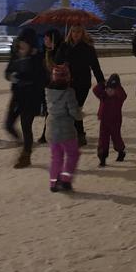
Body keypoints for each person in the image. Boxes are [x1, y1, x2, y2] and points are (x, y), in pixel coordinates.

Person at [4, 29, 46, 167]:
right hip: (17, 95)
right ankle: (24, 144)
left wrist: (23, 77)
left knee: (26, 126)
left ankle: (25, 155)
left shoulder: (38, 58)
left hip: (31, 97)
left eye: (25, 42)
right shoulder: (16, 55)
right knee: (8, 124)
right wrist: (11, 76)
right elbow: (8, 71)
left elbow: (41, 79)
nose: (22, 45)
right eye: (21, 42)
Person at [45, 36, 82, 192]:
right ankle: (66, 179)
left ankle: (53, 182)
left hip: (52, 129)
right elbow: (74, 112)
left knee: (56, 157)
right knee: (73, 154)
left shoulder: (48, 92)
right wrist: (80, 116)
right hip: (66, 131)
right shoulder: (69, 93)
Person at [59, 25, 105, 146]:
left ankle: (80, 135)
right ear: (70, 32)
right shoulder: (64, 46)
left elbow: (95, 66)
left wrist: (101, 81)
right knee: (70, 109)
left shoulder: (88, 48)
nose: (76, 34)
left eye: (78, 32)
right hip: (68, 82)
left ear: (82, 33)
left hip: (82, 83)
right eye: (74, 31)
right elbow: (57, 61)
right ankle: (73, 134)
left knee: (76, 108)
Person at [92, 73, 127, 166]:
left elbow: (124, 95)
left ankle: (121, 151)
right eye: (108, 89)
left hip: (115, 121)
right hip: (104, 121)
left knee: (116, 138)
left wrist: (117, 87)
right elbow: (95, 90)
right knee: (103, 139)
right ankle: (102, 157)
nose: (109, 91)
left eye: (112, 89)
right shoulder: (103, 96)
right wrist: (103, 83)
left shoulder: (119, 97)